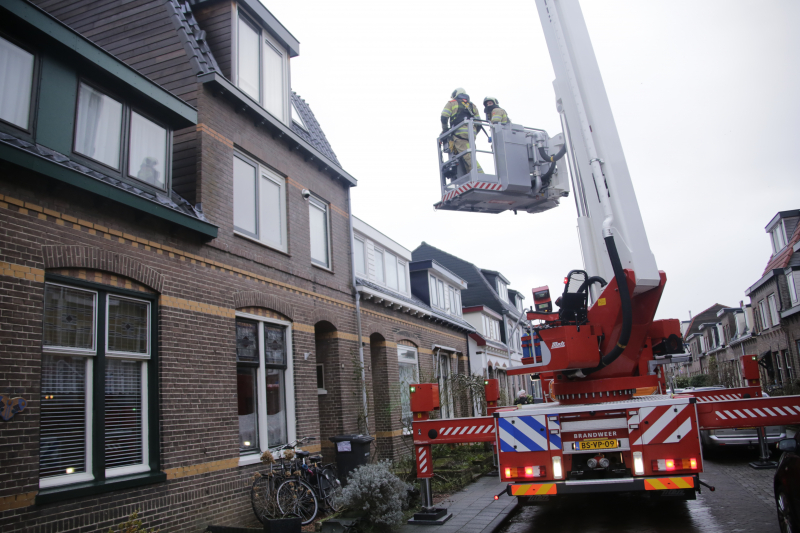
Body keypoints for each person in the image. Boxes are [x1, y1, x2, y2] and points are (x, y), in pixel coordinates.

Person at [441, 88, 483, 176]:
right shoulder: (472, 105)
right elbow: (479, 123)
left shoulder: (452, 103)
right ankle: (470, 175)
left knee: (468, 156)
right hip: (471, 135)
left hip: (459, 134)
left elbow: (444, 117)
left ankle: (479, 175)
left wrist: (445, 131)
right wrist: (473, 133)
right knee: (468, 155)